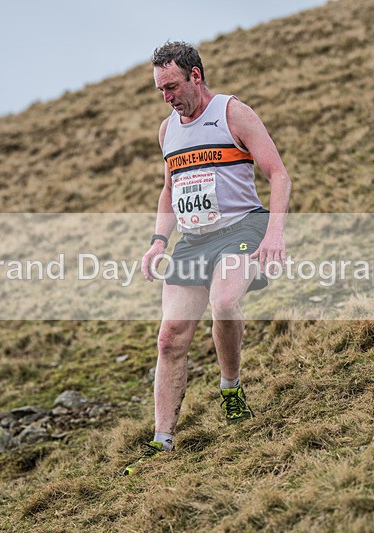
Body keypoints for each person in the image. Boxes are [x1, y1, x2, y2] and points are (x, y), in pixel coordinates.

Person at [123, 41, 291, 475]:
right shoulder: (168, 130)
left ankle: (230, 389)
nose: (167, 97)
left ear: (195, 76)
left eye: (173, 86)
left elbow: (277, 173)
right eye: (160, 89)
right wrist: (159, 241)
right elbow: (169, 187)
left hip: (241, 229)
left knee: (225, 301)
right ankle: (162, 442)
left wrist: (274, 233)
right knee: (169, 337)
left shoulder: (233, 112)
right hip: (193, 240)